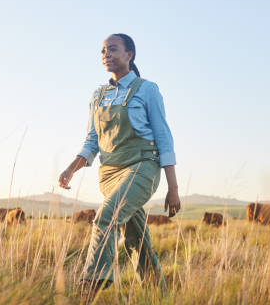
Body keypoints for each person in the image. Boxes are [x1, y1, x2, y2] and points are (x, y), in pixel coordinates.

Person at [58, 33, 180, 293]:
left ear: (129, 54)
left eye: (112, 49)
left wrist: (173, 188)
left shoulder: (148, 90)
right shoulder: (98, 95)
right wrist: (71, 168)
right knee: (137, 240)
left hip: (142, 167)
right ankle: (158, 296)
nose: (106, 55)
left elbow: (163, 138)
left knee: (107, 217)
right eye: (103, 51)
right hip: (110, 174)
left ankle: (90, 286)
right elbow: (92, 141)